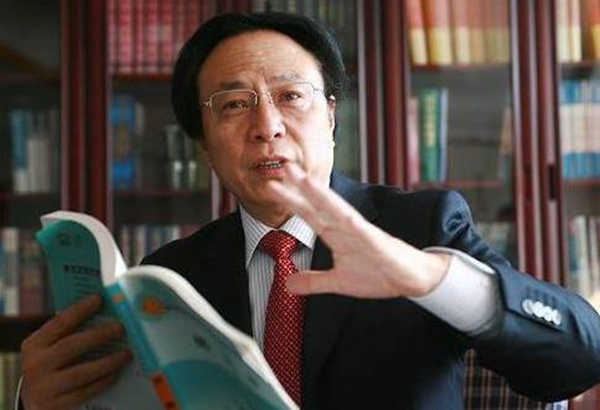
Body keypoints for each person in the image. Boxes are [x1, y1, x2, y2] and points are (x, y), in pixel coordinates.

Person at [19, 12, 600, 410]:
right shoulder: (169, 277)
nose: (267, 125)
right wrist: (37, 401)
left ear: (332, 117)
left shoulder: (419, 227)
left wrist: (426, 277)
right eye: (234, 105)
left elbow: (579, 358)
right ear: (204, 145)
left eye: (291, 96)